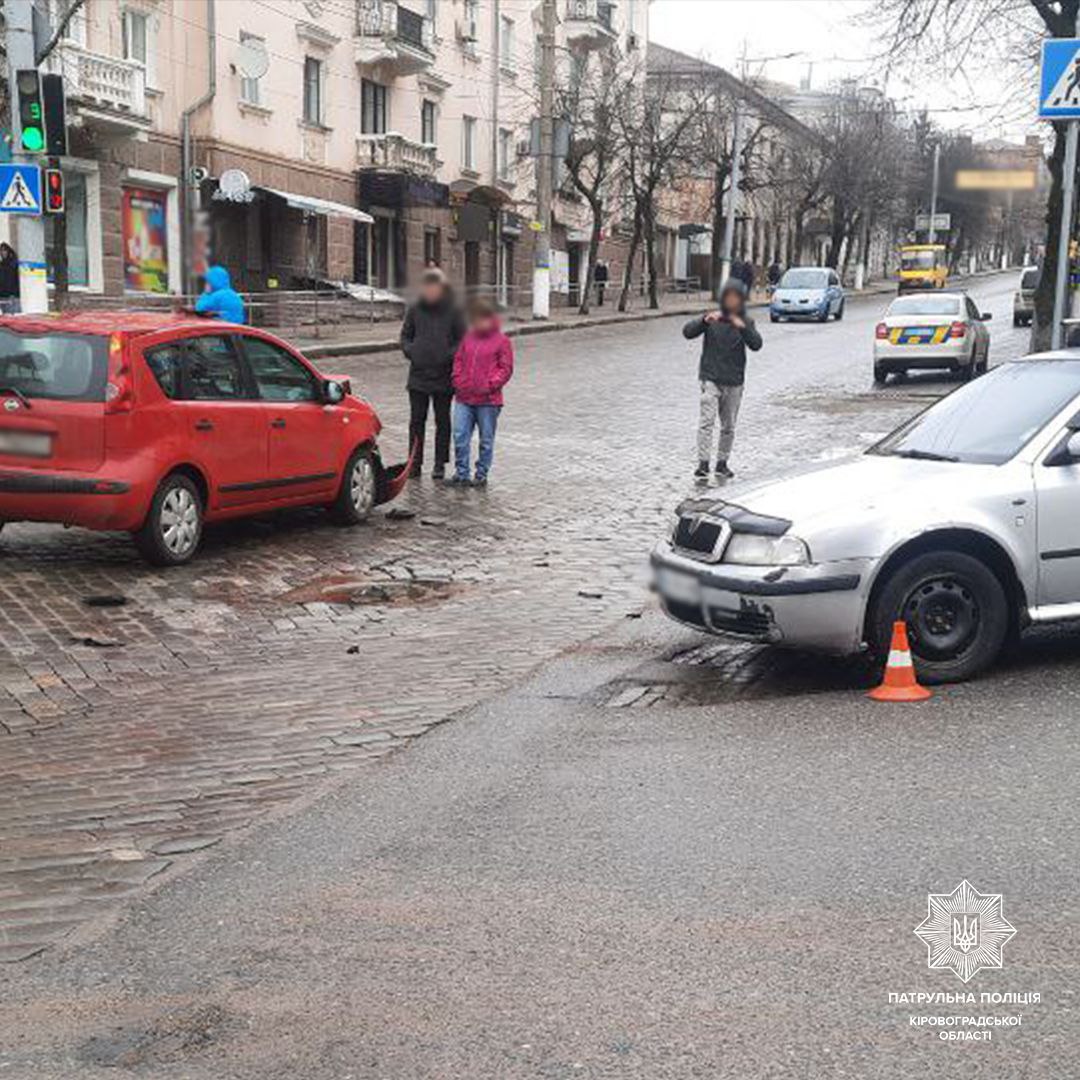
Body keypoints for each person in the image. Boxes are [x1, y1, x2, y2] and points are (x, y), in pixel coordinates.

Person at [682, 278, 763, 480]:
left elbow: (756, 344)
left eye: (736, 299)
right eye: (728, 298)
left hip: (734, 381)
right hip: (710, 377)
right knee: (706, 422)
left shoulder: (746, 321)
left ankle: (722, 463)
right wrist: (703, 321)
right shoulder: (712, 319)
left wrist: (742, 326)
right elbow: (687, 332)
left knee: (728, 425)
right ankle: (702, 463)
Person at [400, 268, 465, 480]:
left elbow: (462, 341)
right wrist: (413, 352)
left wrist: (447, 355)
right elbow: (405, 336)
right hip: (418, 376)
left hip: (443, 376)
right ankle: (414, 463)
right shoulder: (415, 308)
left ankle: (439, 464)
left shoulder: (453, 310)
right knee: (416, 421)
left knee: (443, 421)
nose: (430, 290)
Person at [450, 298, 514, 488]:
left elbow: (506, 368)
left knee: (486, 440)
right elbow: (458, 361)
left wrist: (490, 384)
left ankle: (481, 474)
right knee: (460, 436)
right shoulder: (467, 338)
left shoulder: (502, 341)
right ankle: (462, 473)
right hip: (464, 398)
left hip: (488, 400)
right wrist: (458, 381)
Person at [0, 243, 20, 314]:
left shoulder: (14, 263)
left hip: (12, 296)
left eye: (4, 250)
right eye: (1, 251)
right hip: (2, 295)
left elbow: (17, 279)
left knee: (13, 317)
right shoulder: (1, 264)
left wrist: (15, 293)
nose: (2, 253)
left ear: (8, 251)